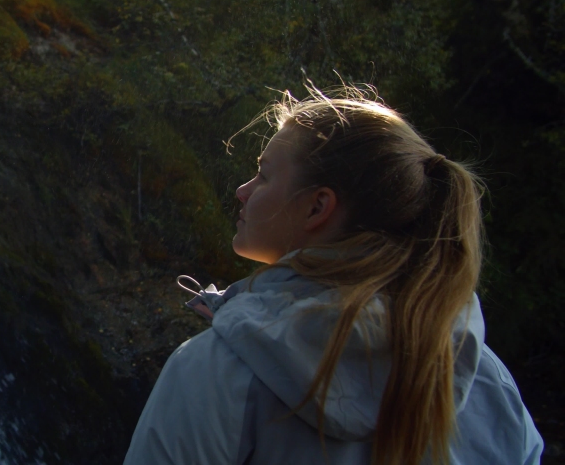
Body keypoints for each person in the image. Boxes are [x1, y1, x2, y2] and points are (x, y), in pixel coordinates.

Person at [123, 84, 544, 465]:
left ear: (317, 208)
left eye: (264, 175)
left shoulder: (215, 372)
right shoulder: (483, 379)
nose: (243, 191)